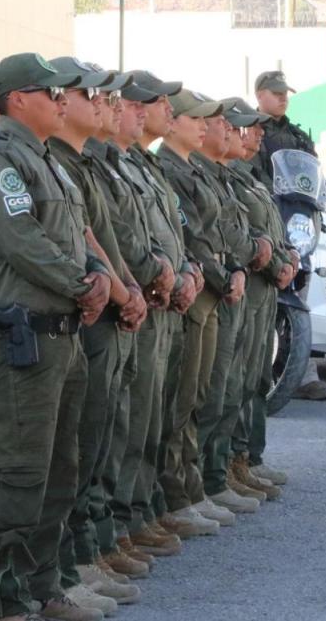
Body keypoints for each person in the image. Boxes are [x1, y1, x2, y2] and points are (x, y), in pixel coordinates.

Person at [0, 52, 110, 621]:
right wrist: (84, 283)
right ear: (18, 99)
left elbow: (76, 235)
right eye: (49, 94)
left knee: (59, 468)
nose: (60, 101)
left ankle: (46, 587)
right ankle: (8, 596)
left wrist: (98, 278)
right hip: (25, 337)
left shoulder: (46, 160)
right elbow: (22, 241)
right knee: (22, 469)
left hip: (64, 333)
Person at [45, 59, 149, 611]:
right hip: (84, 318)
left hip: (113, 307)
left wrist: (131, 288)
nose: (108, 106)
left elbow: (107, 236)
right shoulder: (56, 164)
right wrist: (123, 289)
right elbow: (83, 244)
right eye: (98, 97)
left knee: (104, 432)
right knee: (76, 446)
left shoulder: (83, 164)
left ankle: (88, 549)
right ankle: (70, 562)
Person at [156, 90, 241, 536]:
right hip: (197, 291)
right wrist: (220, 275)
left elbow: (220, 230)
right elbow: (190, 234)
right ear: (173, 124)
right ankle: (177, 492)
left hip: (208, 290)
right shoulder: (169, 169)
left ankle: (191, 486)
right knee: (182, 397)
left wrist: (233, 268)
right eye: (197, 119)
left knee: (199, 393)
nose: (206, 127)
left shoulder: (192, 169)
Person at [123, 70, 199, 548]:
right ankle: (115, 529)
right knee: (125, 422)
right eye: (156, 102)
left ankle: (141, 510)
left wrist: (187, 269)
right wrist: (157, 272)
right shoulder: (110, 164)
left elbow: (176, 230)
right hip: (138, 301)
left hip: (167, 298)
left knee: (160, 411)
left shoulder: (143, 166)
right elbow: (118, 236)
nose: (166, 111)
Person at [192, 101, 273, 516]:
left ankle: (223, 469)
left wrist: (273, 257)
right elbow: (208, 237)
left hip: (241, 285)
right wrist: (239, 269)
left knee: (238, 384)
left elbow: (253, 234)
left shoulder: (228, 177)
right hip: (216, 291)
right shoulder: (191, 174)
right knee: (205, 393)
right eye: (231, 126)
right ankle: (200, 482)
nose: (245, 134)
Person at [218, 99, 294, 501]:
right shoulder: (228, 176)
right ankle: (225, 465)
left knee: (253, 378)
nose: (257, 134)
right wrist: (272, 259)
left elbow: (268, 230)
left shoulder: (249, 175)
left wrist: (286, 256)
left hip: (263, 286)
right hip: (245, 283)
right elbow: (239, 234)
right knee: (229, 382)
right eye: (248, 127)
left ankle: (246, 458)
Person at [252, 70, 326, 407]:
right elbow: (252, 173)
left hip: (295, 224)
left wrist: (323, 191)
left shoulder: (299, 135)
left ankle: (303, 374)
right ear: (260, 95)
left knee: (299, 293)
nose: (282, 97)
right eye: (275, 92)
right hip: (265, 217)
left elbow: (311, 172)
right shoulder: (251, 131)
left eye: (284, 92)